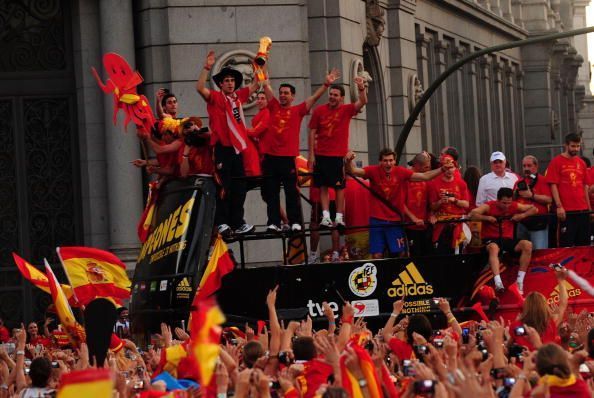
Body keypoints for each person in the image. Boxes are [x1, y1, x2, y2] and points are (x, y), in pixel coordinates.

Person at [261, 68, 340, 232]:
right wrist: (262, 67)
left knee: (291, 192)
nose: (282, 95)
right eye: (281, 92)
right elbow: (266, 86)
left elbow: (314, 98)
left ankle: (295, 222)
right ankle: (273, 222)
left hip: (288, 158)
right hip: (270, 158)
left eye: (286, 93)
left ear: (292, 96)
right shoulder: (273, 106)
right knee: (272, 192)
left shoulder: (298, 111)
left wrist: (326, 84)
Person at [196, 51, 261, 236]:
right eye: (226, 80)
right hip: (222, 147)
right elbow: (200, 88)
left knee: (239, 187)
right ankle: (222, 222)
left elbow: (257, 84)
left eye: (232, 80)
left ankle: (238, 222)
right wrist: (206, 67)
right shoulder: (216, 98)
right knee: (223, 186)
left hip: (237, 149)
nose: (230, 83)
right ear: (221, 84)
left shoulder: (238, 97)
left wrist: (259, 66)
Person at [346, 149, 453, 259]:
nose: (388, 163)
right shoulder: (373, 171)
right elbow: (353, 171)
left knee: (400, 253)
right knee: (377, 255)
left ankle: (398, 274)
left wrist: (442, 169)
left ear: (395, 161)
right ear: (380, 162)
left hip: (395, 220)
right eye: (385, 160)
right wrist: (348, 160)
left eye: (391, 160)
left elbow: (425, 176)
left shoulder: (401, 172)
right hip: (377, 220)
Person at [307, 77, 367, 229]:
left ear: (341, 98)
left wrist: (361, 88)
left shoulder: (346, 109)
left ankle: (339, 217)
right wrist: (311, 155)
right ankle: (326, 216)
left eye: (335, 95)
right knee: (323, 186)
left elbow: (362, 101)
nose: (332, 97)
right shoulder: (319, 111)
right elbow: (312, 132)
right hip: (321, 155)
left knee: (339, 187)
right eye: (331, 94)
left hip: (338, 155)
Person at [470, 187, 537, 294]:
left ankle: (520, 281)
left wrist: (522, 215)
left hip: (507, 239)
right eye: (504, 203)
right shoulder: (489, 206)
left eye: (509, 203)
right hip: (491, 239)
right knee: (493, 247)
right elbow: (473, 213)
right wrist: (487, 218)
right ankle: (498, 282)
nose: (507, 206)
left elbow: (534, 209)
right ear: (498, 200)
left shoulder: (514, 206)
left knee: (527, 245)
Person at [547, 133, 591, 247]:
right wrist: (559, 206)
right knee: (566, 245)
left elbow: (585, 186)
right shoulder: (556, 161)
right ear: (566, 145)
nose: (575, 149)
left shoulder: (581, 163)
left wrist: (589, 208)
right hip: (566, 212)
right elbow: (553, 185)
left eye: (578, 146)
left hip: (583, 210)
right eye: (573, 146)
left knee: (584, 245)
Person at [509, 269, 567, 351]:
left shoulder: (516, 326)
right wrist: (561, 280)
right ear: (544, 306)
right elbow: (563, 303)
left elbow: (508, 347)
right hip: (545, 362)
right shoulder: (551, 323)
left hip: (524, 363)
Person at [428, 159, 470, 255]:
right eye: (446, 168)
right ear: (442, 169)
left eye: (451, 167)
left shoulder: (461, 183)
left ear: (455, 168)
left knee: (457, 254)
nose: (449, 170)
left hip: (457, 224)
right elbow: (432, 207)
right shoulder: (433, 184)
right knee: (441, 254)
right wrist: (440, 202)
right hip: (441, 225)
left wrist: (455, 200)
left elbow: (467, 204)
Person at [513, 155, 552, 249]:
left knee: (539, 252)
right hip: (522, 224)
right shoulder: (519, 182)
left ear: (536, 166)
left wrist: (532, 196)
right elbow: (513, 201)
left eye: (529, 165)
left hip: (538, 224)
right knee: (522, 253)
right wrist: (515, 194)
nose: (526, 168)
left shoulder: (543, 180)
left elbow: (549, 200)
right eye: (524, 166)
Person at [402, 152, 431, 256]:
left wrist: (432, 214)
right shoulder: (406, 178)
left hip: (426, 225)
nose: (428, 170)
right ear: (417, 166)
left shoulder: (426, 179)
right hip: (410, 227)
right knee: (414, 256)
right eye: (426, 167)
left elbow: (430, 201)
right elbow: (400, 203)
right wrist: (413, 218)